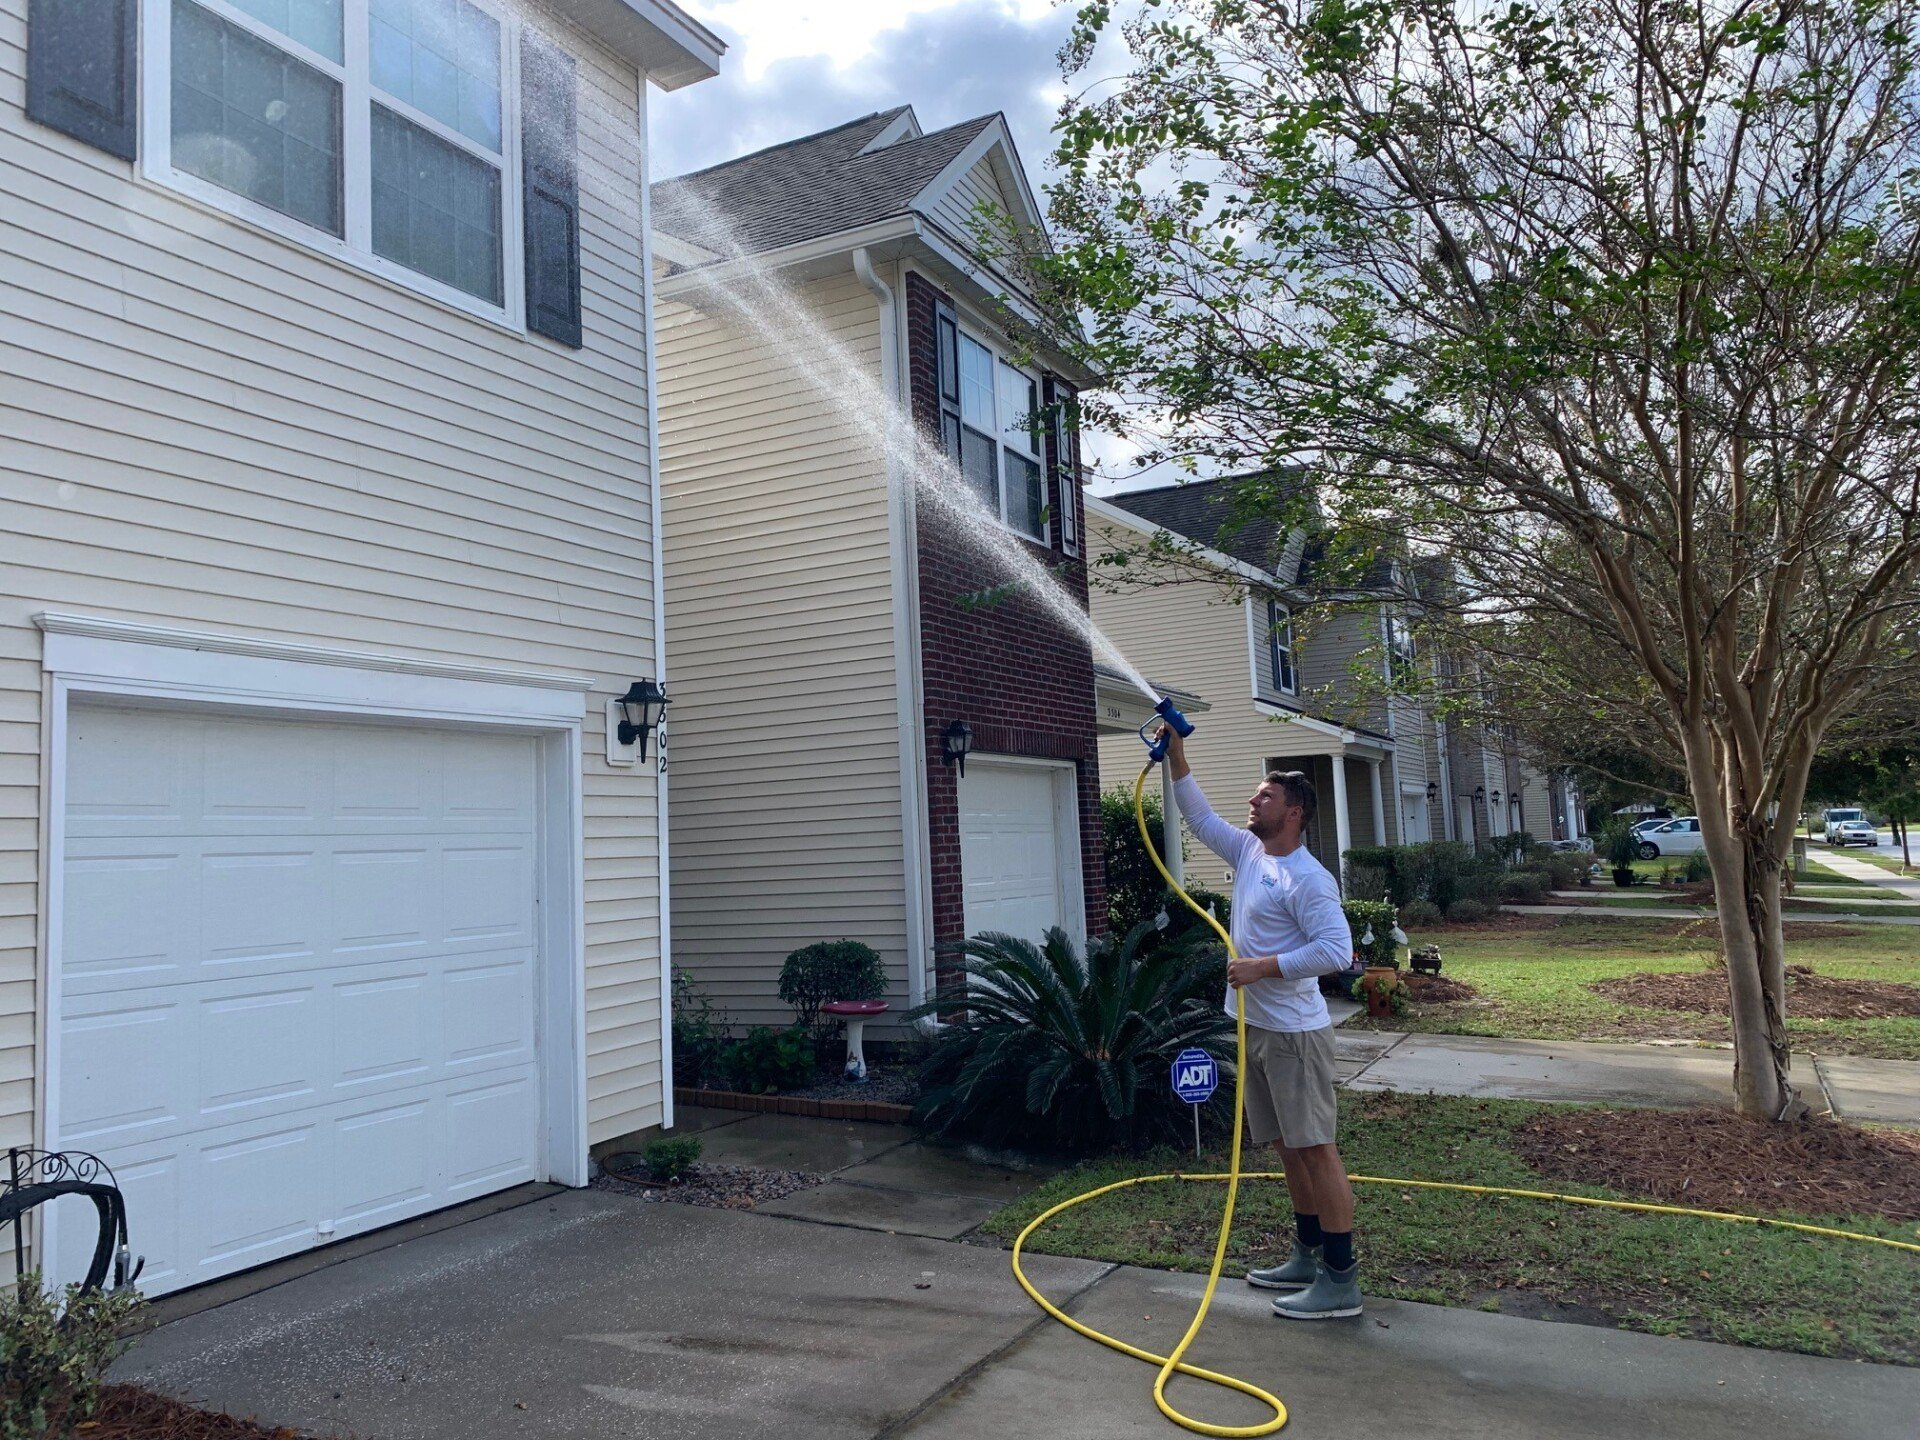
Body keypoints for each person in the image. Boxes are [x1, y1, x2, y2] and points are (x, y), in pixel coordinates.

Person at [1160, 725, 1363, 1319]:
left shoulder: (1309, 878)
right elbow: (1199, 818)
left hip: (1294, 1034)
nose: (1252, 801)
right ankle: (1306, 1253)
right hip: (1254, 1028)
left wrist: (1262, 967)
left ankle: (1341, 1279)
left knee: (1316, 1148)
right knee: (1286, 1147)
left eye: (1265, 796)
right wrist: (1177, 755)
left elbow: (1336, 951)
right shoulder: (1250, 852)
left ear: (1293, 813)